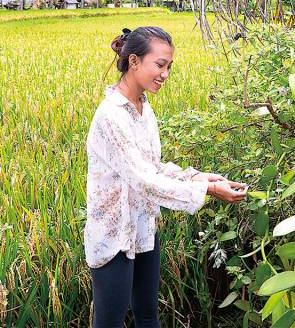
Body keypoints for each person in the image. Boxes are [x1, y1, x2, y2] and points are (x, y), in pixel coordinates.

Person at [85, 26, 248, 328]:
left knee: (148, 316)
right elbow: (143, 180)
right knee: (109, 323)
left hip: (143, 228)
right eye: (160, 65)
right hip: (113, 234)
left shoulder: (143, 109)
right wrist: (209, 191)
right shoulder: (111, 115)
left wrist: (201, 177)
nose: (165, 74)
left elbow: (154, 167)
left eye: (169, 67)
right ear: (134, 61)